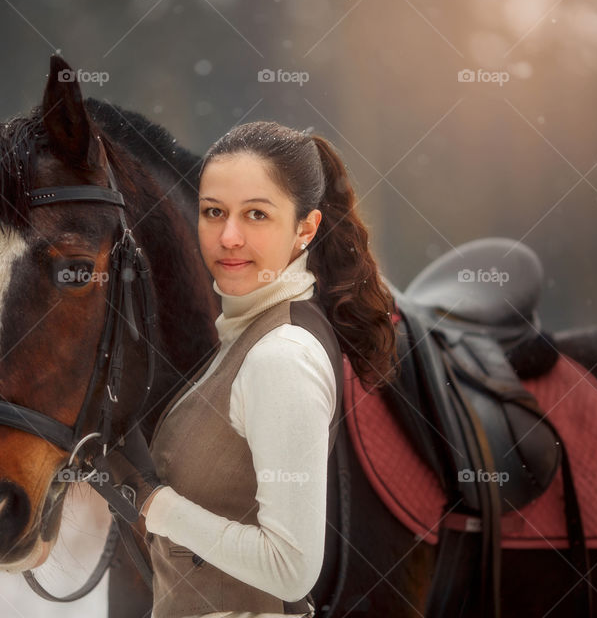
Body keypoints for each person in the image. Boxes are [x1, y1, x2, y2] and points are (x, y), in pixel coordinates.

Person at [110, 121, 397, 618]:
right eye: (213, 212)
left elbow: (291, 568)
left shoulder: (281, 355)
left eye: (257, 215)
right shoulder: (242, 335)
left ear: (305, 229)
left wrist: (155, 505)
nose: (229, 237)